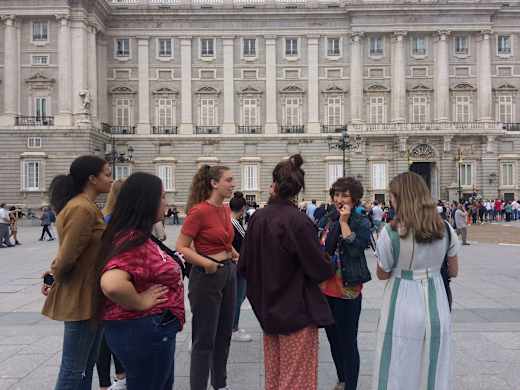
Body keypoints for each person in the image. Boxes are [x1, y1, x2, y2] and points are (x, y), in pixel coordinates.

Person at [239, 154, 335, 390]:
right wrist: (329, 261)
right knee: (296, 380)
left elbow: (244, 265)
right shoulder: (298, 221)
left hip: (267, 309)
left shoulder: (258, 218)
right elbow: (318, 268)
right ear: (298, 190)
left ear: (273, 186)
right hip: (296, 310)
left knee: (274, 376)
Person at [372, 172, 460, 390]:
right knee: (433, 364)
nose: (390, 201)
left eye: (392, 196)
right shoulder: (445, 229)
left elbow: (382, 273)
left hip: (401, 300)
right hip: (436, 300)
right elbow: (454, 270)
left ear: (400, 198)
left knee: (397, 363)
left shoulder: (391, 233)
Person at [98, 172, 185, 390]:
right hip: (144, 329)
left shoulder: (137, 234)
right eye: (162, 197)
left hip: (149, 329)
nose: (167, 202)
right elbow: (112, 283)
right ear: (147, 202)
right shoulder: (131, 239)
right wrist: (140, 301)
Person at [41, 155, 112, 390]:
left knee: (85, 368)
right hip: (80, 297)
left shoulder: (87, 206)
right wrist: (53, 276)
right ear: (92, 179)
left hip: (91, 295)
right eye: (107, 174)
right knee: (74, 369)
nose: (111, 180)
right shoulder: (81, 208)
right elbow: (68, 255)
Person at [175, 164, 238, 390]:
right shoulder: (199, 211)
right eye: (228, 180)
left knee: (224, 335)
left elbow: (223, 240)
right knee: (204, 340)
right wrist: (207, 264)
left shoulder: (225, 209)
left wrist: (231, 252)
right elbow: (181, 247)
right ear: (214, 183)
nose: (233, 184)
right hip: (207, 276)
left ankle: (220, 384)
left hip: (228, 273)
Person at [320, 177, 372, 390]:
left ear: (355, 198)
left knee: (348, 341)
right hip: (326, 288)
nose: (339, 199)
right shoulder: (328, 219)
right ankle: (342, 378)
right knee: (333, 339)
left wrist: (344, 223)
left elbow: (356, 248)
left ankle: (351, 385)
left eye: (345, 195)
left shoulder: (361, 222)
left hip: (348, 289)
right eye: (337, 194)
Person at [97, 179, 127, 390]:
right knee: (114, 331)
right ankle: (119, 375)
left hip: (105, 279)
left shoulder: (105, 218)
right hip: (116, 279)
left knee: (106, 334)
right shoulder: (119, 222)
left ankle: (106, 382)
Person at [229, 192, 252, 343]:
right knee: (238, 296)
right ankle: (233, 328)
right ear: (243, 208)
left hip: (236, 263)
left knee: (239, 296)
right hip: (238, 264)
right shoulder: (234, 223)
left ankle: (232, 326)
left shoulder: (230, 221)